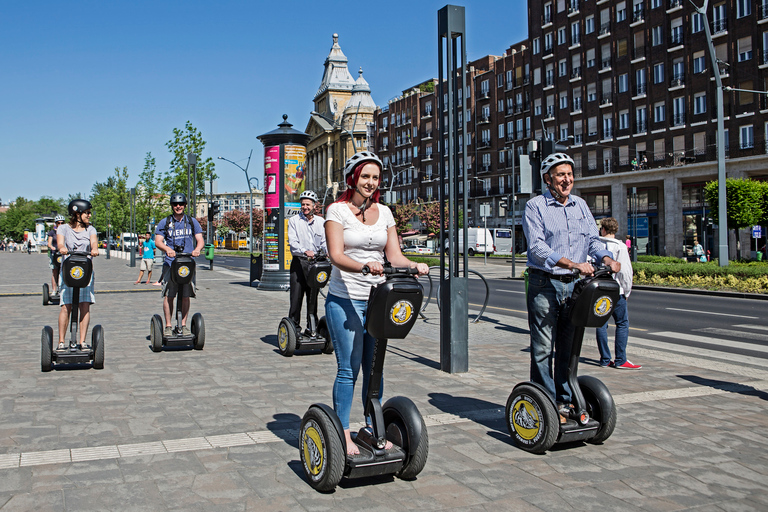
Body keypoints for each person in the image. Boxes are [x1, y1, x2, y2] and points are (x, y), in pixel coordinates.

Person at [324, 151, 429, 455]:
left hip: (378, 300)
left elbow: (394, 256)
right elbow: (336, 255)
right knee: (349, 368)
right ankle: (342, 431)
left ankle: (371, 425)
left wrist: (413, 266)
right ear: (352, 178)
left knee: (375, 369)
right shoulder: (337, 211)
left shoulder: (384, 213)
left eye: (375, 177)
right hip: (345, 300)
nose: (370, 182)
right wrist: (366, 267)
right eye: (365, 176)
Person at [523, 152, 620, 424]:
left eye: (569, 174)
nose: (567, 180)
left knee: (569, 346)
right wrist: (572, 263)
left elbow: (592, 239)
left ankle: (564, 400)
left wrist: (607, 258)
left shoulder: (580, 205)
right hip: (545, 282)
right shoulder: (535, 206)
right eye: (560, 175)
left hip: (575, 286)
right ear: (548, 179)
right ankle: (545, 403)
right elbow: (537, 247)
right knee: (543, 348)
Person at [154, 193, 204, 337]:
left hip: (187, 263)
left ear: (185, 205)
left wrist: (197, 249)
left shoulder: (192, 221)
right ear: (172, 206)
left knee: (186, 295)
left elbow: (200, 239)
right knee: (169, 295)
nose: (178, 207)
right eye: (175, 204)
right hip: (171, 264)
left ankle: (183, 325)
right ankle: (168, 326)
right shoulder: (165, 222)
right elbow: (158, 241)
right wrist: (168, 249)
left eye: (181, 204)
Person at [596, 218, 641, 370]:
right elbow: (625, 272)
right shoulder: (620, 247)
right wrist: (626, 290)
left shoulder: (595, 245)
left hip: (598, 290)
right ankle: (621, 359)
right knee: (622, 323)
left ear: (602, 229)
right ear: (614, 230)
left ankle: (604, 359)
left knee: (601, 324)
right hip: (616, 290)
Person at [56, 200, 99, 350]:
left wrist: (94, 249)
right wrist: (62, 248)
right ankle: (61, 342)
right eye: (87, 212)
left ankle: (82, 341)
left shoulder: (91, 229)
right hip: (68, 271)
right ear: (77, 213)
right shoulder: (63, 229)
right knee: (66, 306)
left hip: (85, 271)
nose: (89, 215)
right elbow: (60, 243)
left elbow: (94, 243)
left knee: (85, 305)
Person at [288, 190, 327, 334]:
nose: (305, 207)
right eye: (303, 204)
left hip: (315, 265)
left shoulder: (321, 222)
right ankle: (294, 329)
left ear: (314, 206)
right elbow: (293, 242)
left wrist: (327, 251)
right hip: (299, 263)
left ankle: (312, 328)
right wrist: (305, 251)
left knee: (313, 299)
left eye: (308, 204)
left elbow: (324, 241)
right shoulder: (294, 221)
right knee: (296, 299)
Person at [46, 214, 66, 295]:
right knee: (55, 271)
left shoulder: (66, 232)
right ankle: (54, 290)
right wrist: (52, 247)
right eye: (58, 223)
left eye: (62, 223)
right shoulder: (52, 232)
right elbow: (49, 243)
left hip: (63, 254)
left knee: (65, 271)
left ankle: (64, 289)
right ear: (56, 223)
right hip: (55, 254)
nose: (60, 224)